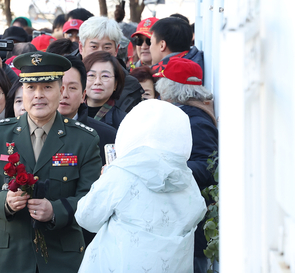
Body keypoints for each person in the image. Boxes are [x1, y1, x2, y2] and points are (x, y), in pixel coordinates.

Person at [0, 52, 102, 273]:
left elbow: (92, 197)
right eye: (31, 88)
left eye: (47, 87)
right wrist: (5, 201)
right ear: (22, 91)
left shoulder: (84, 139)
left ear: (61, 92)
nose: (38, 95)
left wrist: (55, 210)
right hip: (9, 257)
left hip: (62, 258)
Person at [74, 100, 207, 273]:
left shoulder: (120, 173)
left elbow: (86, 217)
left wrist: (104, 178)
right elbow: (197, 211)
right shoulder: (186, 178)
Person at [154, 57, 218, 273]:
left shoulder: (194, 120)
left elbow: (207, 167)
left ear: (168, 88)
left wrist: (166, 170)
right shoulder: (190, 114)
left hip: (193, 221)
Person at [57, 56, 116, 166]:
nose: (64, 95)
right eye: (60, 87)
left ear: (83, 96)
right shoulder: (34, 132)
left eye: (72, 88)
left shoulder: (106, 135)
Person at [78, 16, 143, 113]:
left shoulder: (129, 86)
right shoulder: (65, 74)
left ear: (116, 50)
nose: (100, 53)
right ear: (81, 47)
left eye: (107, 47)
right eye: (94, 47)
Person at [82, 51, 127, 130]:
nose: (97, 82)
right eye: (91, 75)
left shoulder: (124, 122)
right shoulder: (72, 114)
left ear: (115, 84)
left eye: (105, 76)